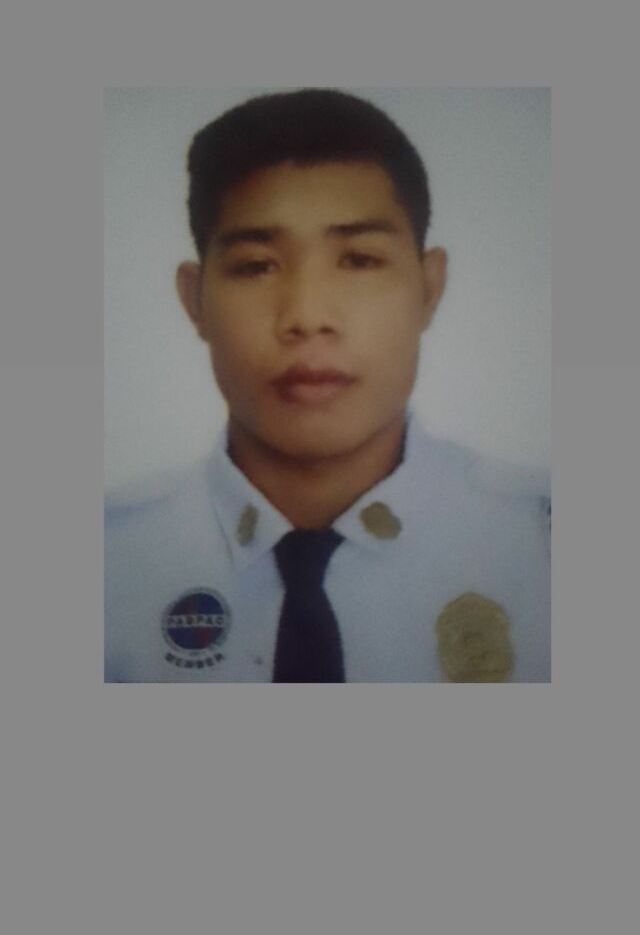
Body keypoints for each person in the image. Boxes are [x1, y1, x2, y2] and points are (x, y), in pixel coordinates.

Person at [105, 89, 550, 683]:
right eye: (257, 265)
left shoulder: (542, 547)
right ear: (194, 301)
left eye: (360, 260)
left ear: (429, 288)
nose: (308, 316)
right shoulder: (107, 562)